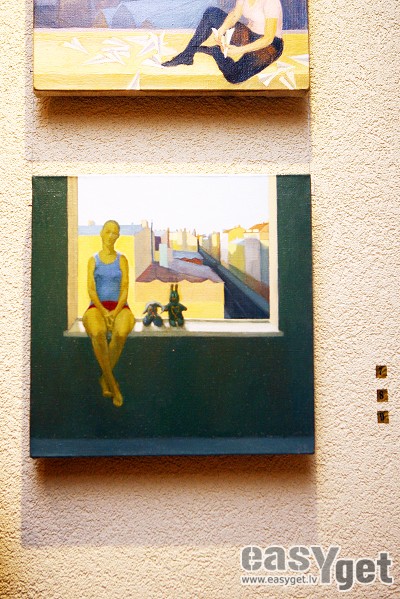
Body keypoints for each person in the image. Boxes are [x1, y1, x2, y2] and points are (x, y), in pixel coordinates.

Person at [163, 0, 284, 84]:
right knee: (211, 13)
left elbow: (268, 38)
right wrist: (221, 30)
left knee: (234, 76)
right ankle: (187, 55)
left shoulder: (271, 2)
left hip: (270, 45)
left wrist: (239, 50)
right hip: (249, 35)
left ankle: (215, 51)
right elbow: (235, 14)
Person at [82, 220, 135, 407]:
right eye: (108, 232)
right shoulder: (93, 260)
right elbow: (91, 290)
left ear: (118, 236)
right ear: (101, 233)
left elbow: (125, 288)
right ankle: (113, 385)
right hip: (97, 307)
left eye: (115, 233)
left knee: (120, 333)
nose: (111, 236)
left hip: (120, 307)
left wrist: (115, 312)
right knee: (98, 332)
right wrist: (104, 312)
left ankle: (105, 378)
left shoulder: (122, 259)